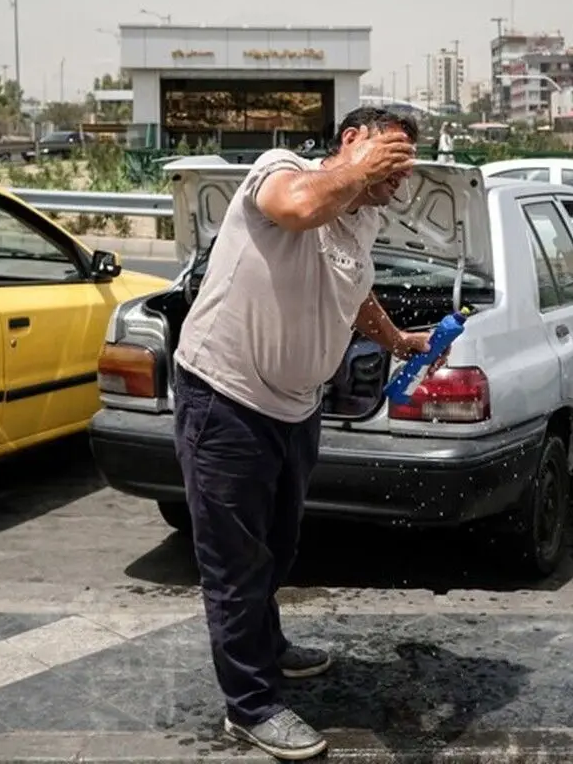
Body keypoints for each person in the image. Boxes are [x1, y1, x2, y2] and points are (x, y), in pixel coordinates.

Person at [172, 106, 442, 760]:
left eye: (404, 168)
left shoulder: (364, 216)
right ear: (351, 141)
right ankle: (251, 705)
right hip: (226, 399)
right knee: (235, 563)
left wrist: (400, 339)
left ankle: (267, 647)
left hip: (296, 407)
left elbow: (354, 295)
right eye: (389, 160)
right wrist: (355, 171)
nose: (396, 180)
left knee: (278, 545)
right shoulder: (280, 171)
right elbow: (297, 210)